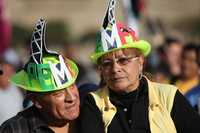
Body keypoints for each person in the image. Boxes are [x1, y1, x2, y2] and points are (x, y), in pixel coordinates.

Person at [79, 0, 200, 133]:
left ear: (141, 61)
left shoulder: (169, 96)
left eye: (123, 60)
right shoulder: (93, 103)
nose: (115, 69)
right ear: (100, 70)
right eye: (107, 64)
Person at [0, 18, 80, 133]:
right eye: (58, 93)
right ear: (37, 101)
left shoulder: (91, 118)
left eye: (72, 86)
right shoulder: (15, 129)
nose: (71, 98)